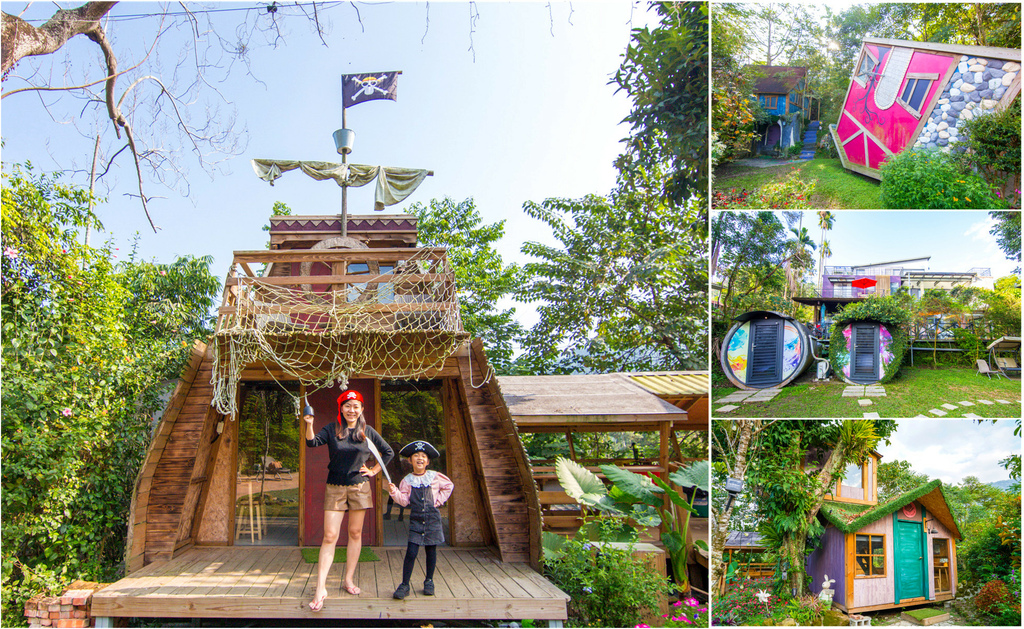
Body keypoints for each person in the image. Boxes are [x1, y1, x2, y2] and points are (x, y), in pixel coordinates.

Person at [304, 390, 393, 611]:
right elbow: (312, 443)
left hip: (359, 488)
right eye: (347, 406)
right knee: (330, 536)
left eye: (356, 406)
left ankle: (348, 580)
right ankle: (320, 588)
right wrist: (308, 424)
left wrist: (373, 471)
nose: (351, 410)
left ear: (361, 409)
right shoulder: (331, 430)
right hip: (334, 487)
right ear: (341, 408)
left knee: (355, 533)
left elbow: (388, 452)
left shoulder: (367, 432)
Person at [387, 440, 454, 599]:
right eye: (416, 455)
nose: (420, 458)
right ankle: (404, 585)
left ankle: (429, 581)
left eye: (423, 456)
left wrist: (438, 501)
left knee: (431, 551)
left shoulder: (435, 477)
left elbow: (449, 486)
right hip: (416, 521)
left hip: (432, 520)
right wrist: (394, 492)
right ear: (410, 460)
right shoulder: (407, 481)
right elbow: (404, 501)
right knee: (411, 553)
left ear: (428, 461)